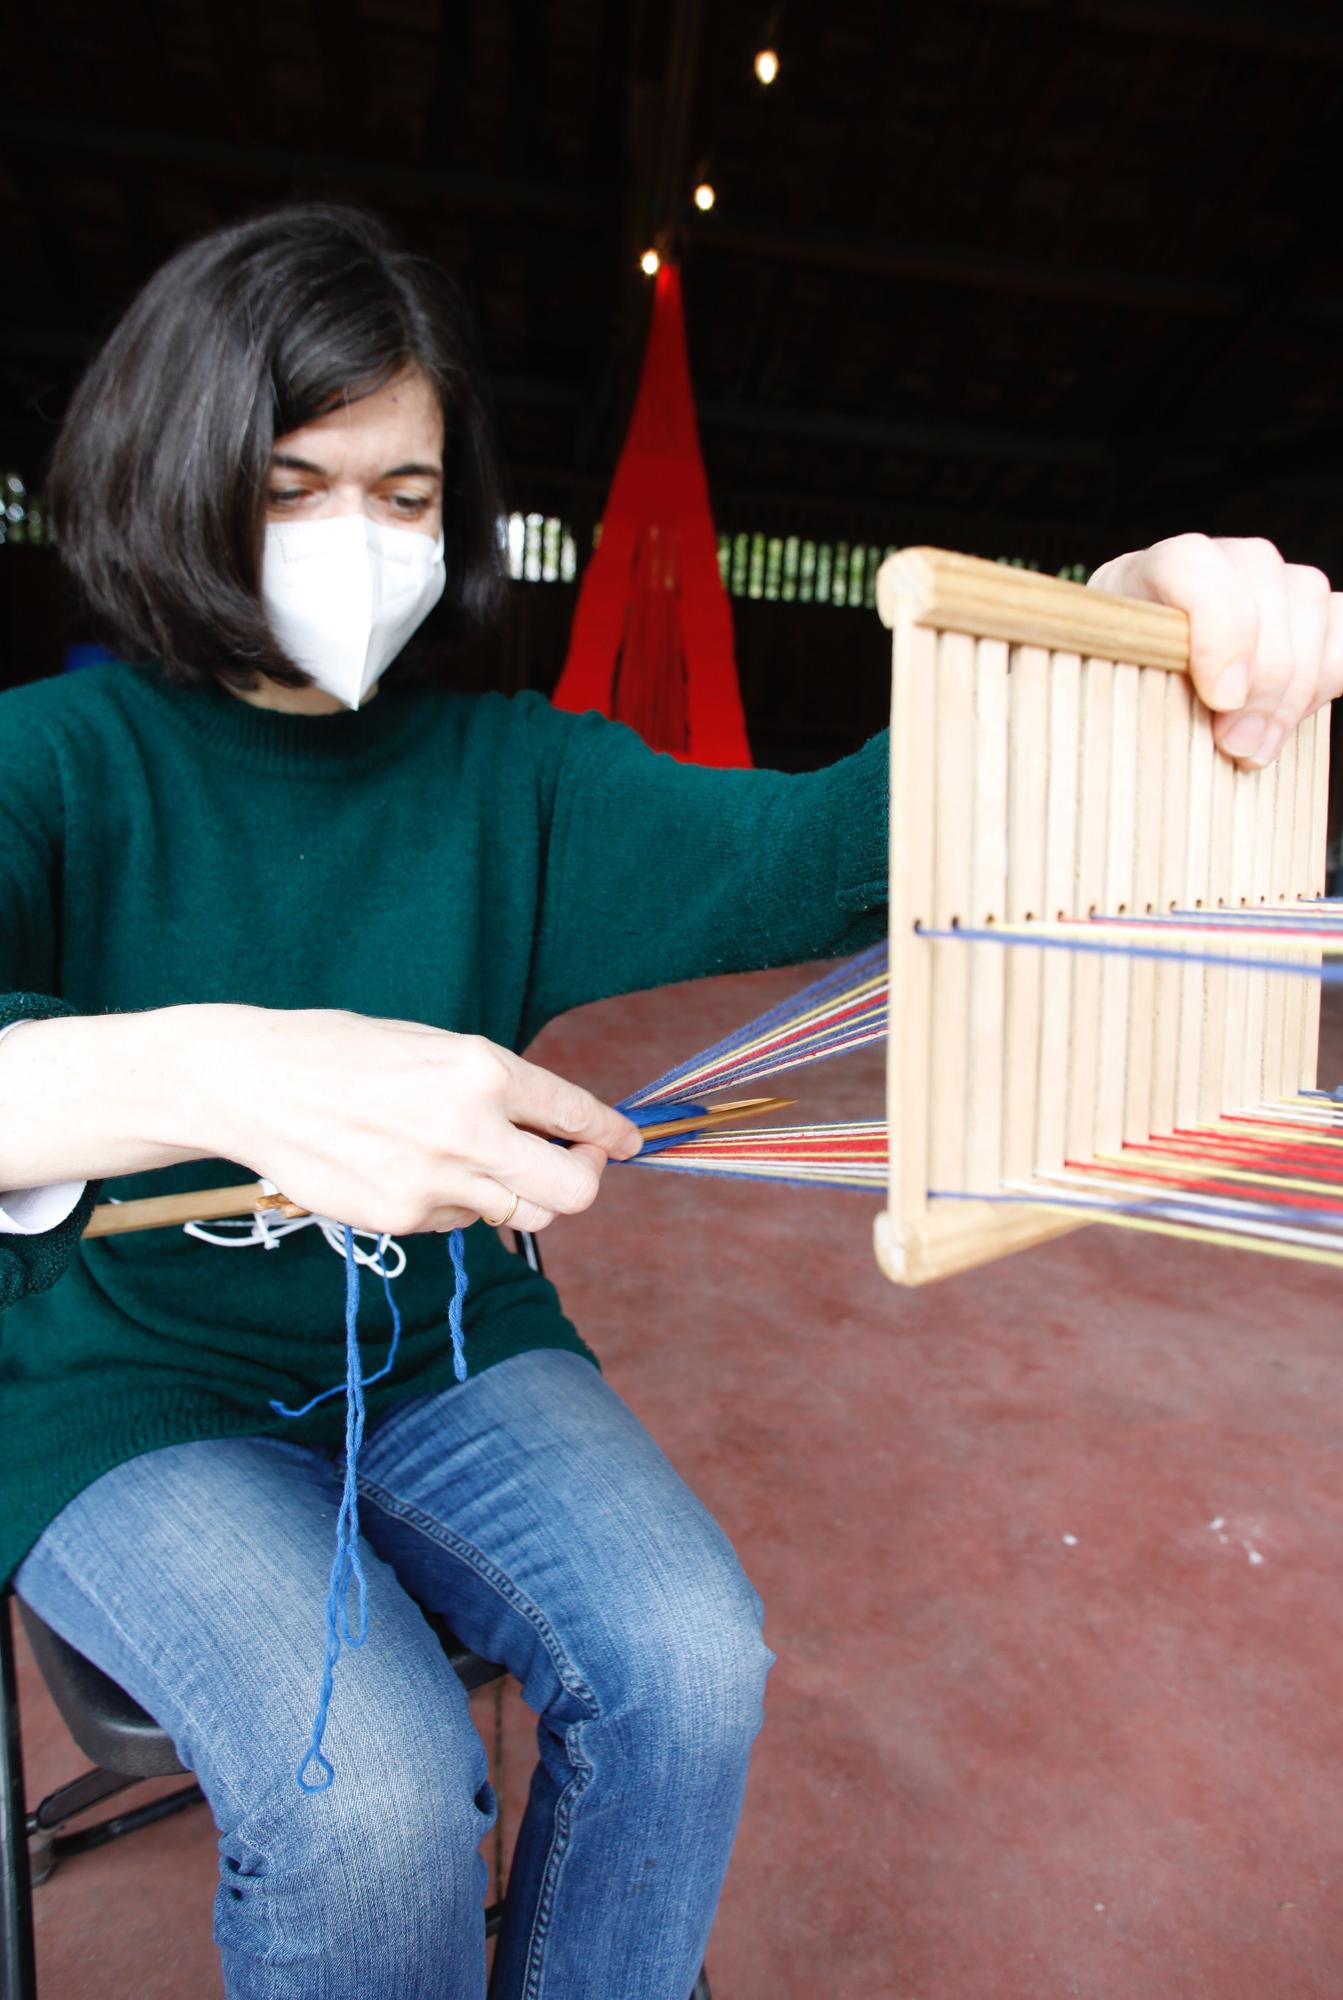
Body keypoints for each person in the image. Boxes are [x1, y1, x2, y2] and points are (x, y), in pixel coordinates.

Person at [1, 203, 1339, 2000]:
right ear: (170, 473)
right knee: (375, 1793)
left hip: (442, 1342)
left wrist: (1107, 639)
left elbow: (829, 848)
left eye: (405, 496)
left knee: (693, 1658)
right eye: (293, 480)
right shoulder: (53, 766)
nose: (358, 540)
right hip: (122, 1384)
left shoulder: (510, 779)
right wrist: (222, 1067)